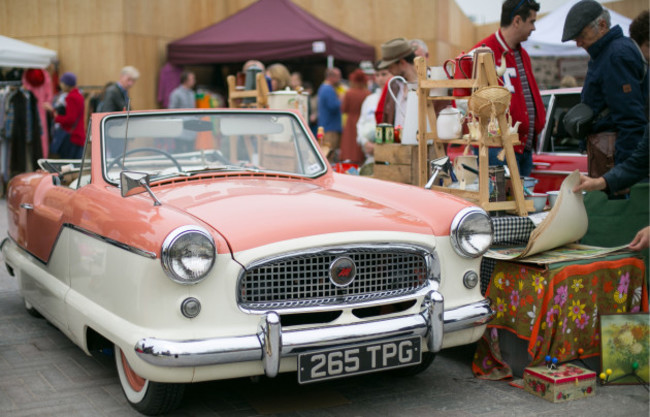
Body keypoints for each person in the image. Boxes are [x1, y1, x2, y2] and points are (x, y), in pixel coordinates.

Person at [561, 1, 647, 168]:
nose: (578, 43)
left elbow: (631, 120)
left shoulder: (615, 55)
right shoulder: (606, 54)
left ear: (602, 25)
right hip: (609, 155)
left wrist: (622, 175)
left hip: (615, 159)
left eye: (581, 35)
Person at [473, 0, 546, 177]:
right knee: (501, 203)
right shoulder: (483, 52)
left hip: (523, 148)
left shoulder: (523, 54)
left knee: (521, 203)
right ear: (517, 21)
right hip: (497, 150)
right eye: (532, 22)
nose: (534, 28)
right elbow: (469, 101)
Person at [376, 38, 418, 127]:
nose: (389, 71)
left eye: (390, 67)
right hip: (397, 140)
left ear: (402, 63)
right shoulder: (393, 85)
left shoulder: (429, 84)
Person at [44, 72, 85, 159]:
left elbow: (70, 119)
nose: (60, 84)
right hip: (78, 135)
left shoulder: (71, 97)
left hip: (72, 138)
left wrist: (56, 118)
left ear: (66, 84)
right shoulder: (79, 95)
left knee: (68, 165)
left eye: (62, 82)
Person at [357, 63, 391, 163]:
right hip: (371, 154)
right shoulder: (370, 99)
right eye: (377, 75)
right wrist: (365, 142)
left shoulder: (396, 98)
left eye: (384, 74)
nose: (380, 78)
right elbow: (360, 123)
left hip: (391, 154)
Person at [339, 69, 370, 164]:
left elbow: (344, 109)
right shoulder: (367, 93)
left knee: (349, 144)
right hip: (363, 120)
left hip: (351, 121)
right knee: (359, 144)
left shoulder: (349, 93)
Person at [317, 67, 343, 162]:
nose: (340, 79)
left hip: (326, 126)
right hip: (330, 128)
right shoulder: (328, 89)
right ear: (331, 77)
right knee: (329, 155)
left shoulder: (323, 87)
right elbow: (333, 106)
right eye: (338, 76)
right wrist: (341, 99)